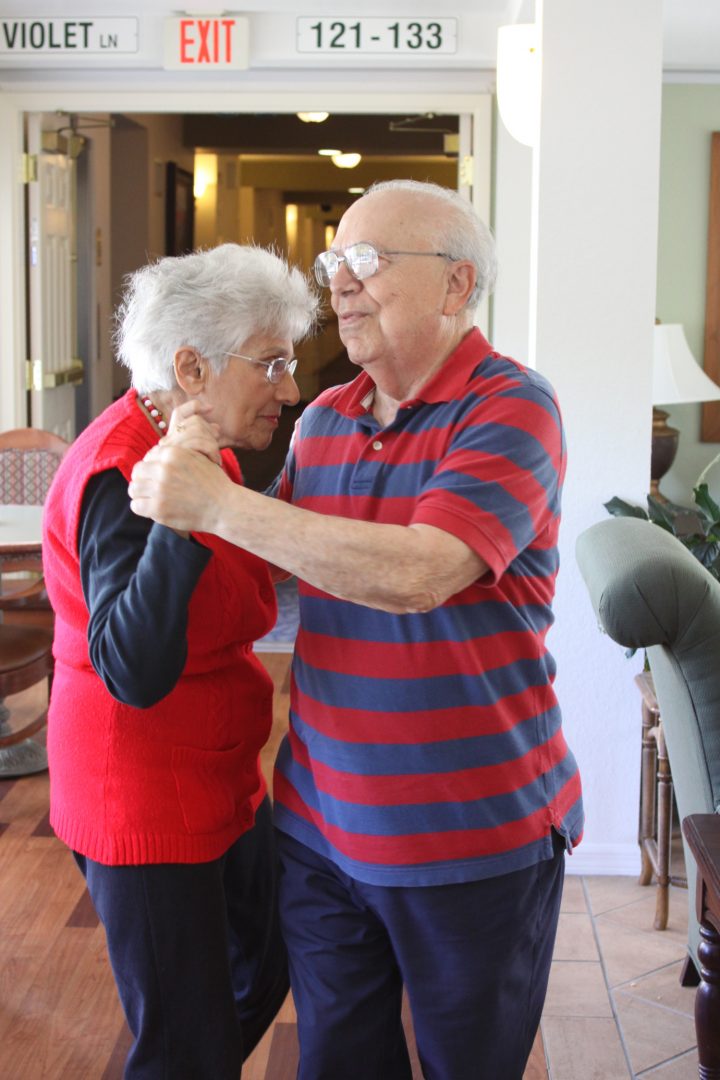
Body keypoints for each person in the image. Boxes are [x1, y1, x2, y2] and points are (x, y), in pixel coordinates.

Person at [129, 181, 584, 1080]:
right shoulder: (326, 419)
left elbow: (421, 574)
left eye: (368, 261)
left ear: (456, 284)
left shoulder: (512, 407)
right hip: (319, 831)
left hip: (473, 837)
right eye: (335, 260)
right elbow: (270, 561)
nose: (339, 282)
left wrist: (217, 503)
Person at [42, 243, 318, 1079]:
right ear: (191, 368)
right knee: (183, 1043)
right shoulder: (125, 473)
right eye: (272, 364)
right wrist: (180, 518)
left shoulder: (200, 448)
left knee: (267, 965)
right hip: (142, 797)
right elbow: (132, 666)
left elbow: (227, 576)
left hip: (217, 773)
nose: (290, 390)